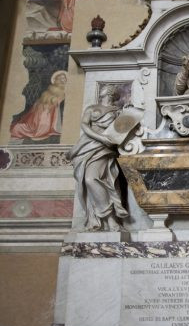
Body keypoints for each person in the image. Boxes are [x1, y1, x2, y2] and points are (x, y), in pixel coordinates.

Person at [67, 85, 133, 231]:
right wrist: (100, 137)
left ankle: (111, 219)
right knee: (89, 179)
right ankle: (108, 220)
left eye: (107, 88)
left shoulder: (117, 111)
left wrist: (127, 113)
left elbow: (122, 130)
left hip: (104, 149)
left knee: (92, 179)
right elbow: (84, 125)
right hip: (87, 146)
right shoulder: (91, 108)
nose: (103, 90)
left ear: (110, 93)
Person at [10, 70, 67, 142]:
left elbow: (59, 102)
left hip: (50, 113)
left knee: (42, 123)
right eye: (61, 78)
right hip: (42, 112)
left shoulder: (66, 91)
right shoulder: (51, 89)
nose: (64, 80)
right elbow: (44, 101)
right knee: (26, 126)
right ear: (57, 80)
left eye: (64, 78)